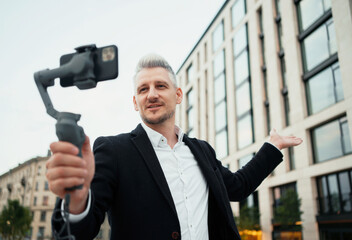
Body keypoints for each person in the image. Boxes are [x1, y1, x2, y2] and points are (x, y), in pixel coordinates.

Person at [46, 54, 302, 240]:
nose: (152, 94)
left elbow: (238, 186)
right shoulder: (113, 151)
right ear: (135, 102)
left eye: (160, 86)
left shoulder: (202, 151)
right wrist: (77, 202)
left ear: (178, 95)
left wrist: (272, 147)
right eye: (143, 89)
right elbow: (81, 232)